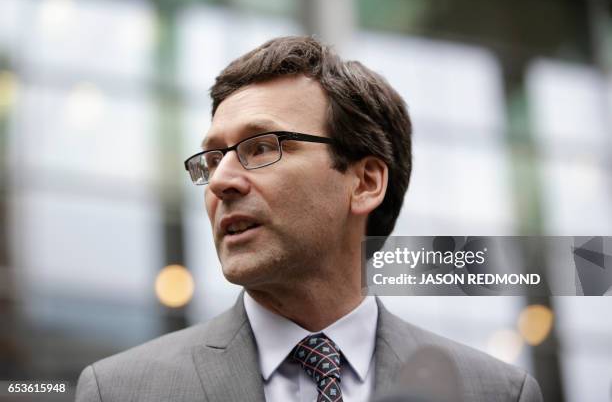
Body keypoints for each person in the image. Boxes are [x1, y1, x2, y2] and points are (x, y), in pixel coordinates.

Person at [76, 36, 542, 402]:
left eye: (261, 147)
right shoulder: (119, 390)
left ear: (364, 183)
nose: (221, 182)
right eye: (213, 158)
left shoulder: (496, 393)